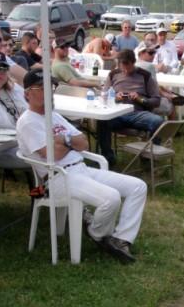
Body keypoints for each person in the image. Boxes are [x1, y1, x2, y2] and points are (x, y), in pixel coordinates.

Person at [17, 69, 147, 264]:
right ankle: (97, 232)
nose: (48, 91)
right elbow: (53, 154)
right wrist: (68, 143)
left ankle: (120, 239)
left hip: (79, 168)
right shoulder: (28, 122)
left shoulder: (55, 116)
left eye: (50, 87)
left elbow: (83, 142)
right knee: (110, 198)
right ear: (27, 93)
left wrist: (63, 139)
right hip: (57, 178)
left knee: (138, 186)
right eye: (41, 87)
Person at [97, 49, 165, 165]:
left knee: (158, 121)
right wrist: (115, 98)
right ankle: (108, 158)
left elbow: (156, 100)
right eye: (122, 67)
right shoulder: (113, 74)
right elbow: (104, 96)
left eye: (128, 67)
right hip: (117, 113)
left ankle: (148, 157)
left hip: (138, 113)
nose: (125, 70)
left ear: (134, 62)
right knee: (102, 121)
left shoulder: (145, 75)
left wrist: (140, 99)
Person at [135, 42, 176, 117]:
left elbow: (150, 84)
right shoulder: (150, 66)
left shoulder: (134, 64)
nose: (153, 55)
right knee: (171, 104)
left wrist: (163, 89)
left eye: (154, 52)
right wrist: (166, 95)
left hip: (136, 101)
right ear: (141, 53)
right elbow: (154, 89)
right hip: (147, 103)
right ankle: (172, 127)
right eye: (150, 53)